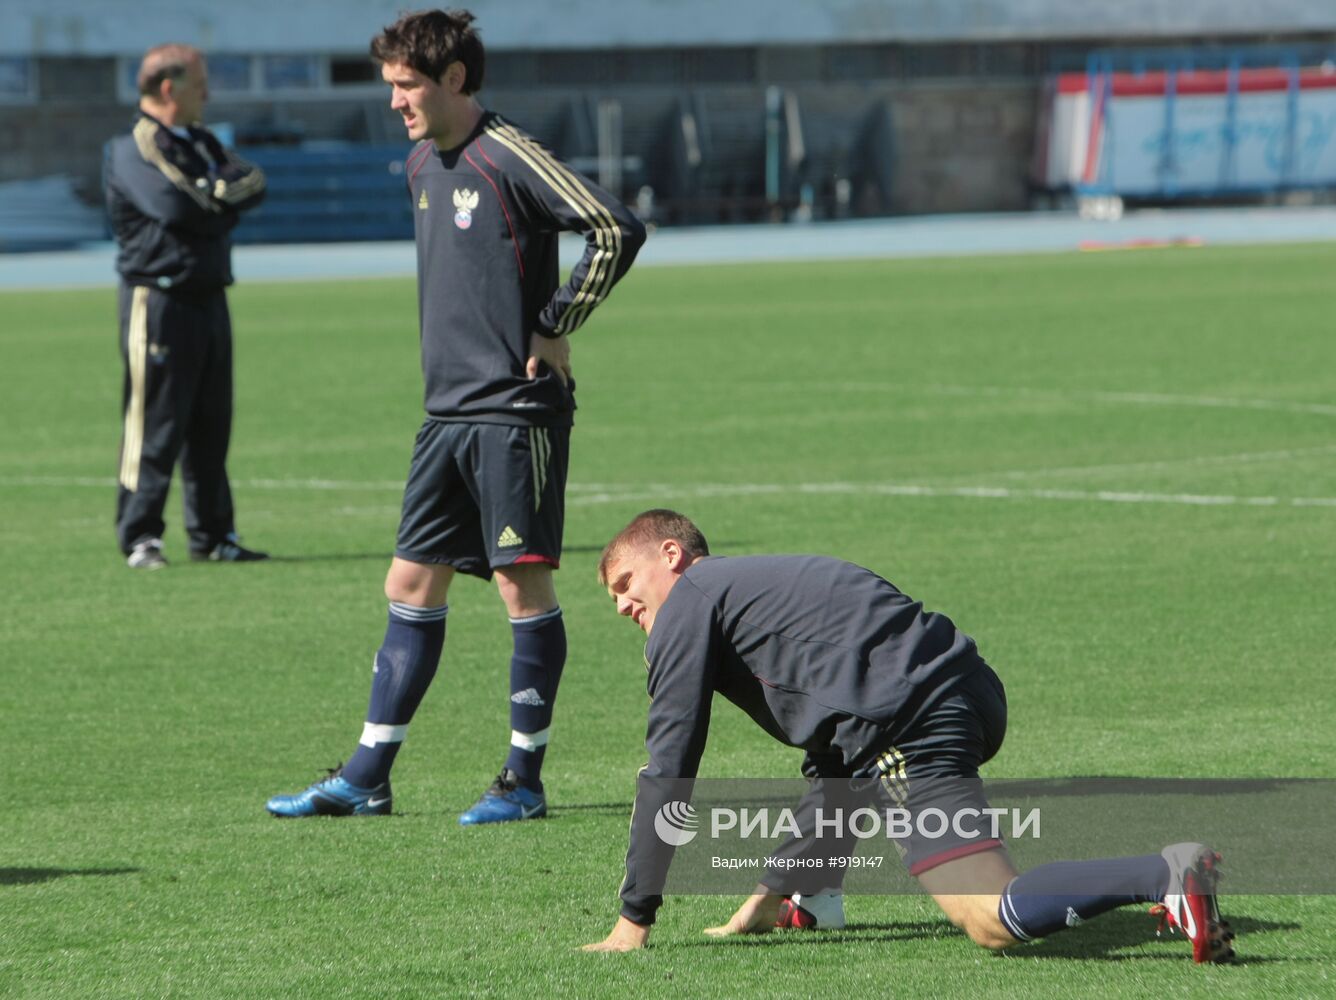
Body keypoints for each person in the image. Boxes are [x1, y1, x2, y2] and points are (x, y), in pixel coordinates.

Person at [266, 10, 646, 825]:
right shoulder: (418, 165)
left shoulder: (511, 155)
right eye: (391, 86)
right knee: (408, 581)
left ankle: (524, 780)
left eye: (407, 85)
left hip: (514, 413)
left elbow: (616, 227)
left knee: (520, 584)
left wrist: (557, 321)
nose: (395, 101)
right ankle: (367, 775)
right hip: (445, 416)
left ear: (455, 80)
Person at [581, 509, 1235, 964]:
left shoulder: (691, 599)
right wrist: (776, 892)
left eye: (625, 584)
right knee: (855, 772)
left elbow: (669, 767)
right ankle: (817, 900)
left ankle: (1164, 875)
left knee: (990, 918)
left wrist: (633, 921)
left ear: (672, 555)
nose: (622, 606)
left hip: (912, 719)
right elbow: (837, 766)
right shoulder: (757, 598)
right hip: (967, 692)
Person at [104, 43, 269, 570]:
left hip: (209, 295)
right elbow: (175, 205)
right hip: (159, 301)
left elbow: (253, 183)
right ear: (169, 88)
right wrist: (219, 203)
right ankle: (140, 536)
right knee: (154, 424)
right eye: (201, 84)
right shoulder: (134, 145)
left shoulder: (199, 140)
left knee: (211, 424)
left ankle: (215, 535)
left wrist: (214, 200)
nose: (209, 94)